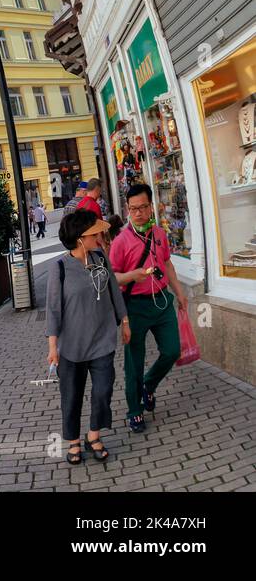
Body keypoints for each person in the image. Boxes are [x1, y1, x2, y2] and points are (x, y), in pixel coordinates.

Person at [46, 210, 129, 465]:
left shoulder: (100, 257)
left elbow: (114, 290)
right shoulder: (59, 268)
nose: (100, 236)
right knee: (71, 396)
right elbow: (53, 310)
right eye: (95, 233)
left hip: (102, 340)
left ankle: (93, 434)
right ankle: (73, 442)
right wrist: (53, 347)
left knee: (103, 390)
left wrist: (124, 321)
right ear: (82, 238)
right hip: (72, 347)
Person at [109, 183, 186, 434]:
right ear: (127, 210)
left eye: (142, 207)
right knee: (134, 362)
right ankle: (134, 411)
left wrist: (180, 292)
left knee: (172, 350)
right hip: (135, 307)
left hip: (162, 301)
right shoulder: (121, 241)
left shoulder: (160, 234)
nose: (138, 213)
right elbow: (112, 278)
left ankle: (148, 386)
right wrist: (133, 275)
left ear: (151, 206)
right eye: (133, 209)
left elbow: (168, 264)